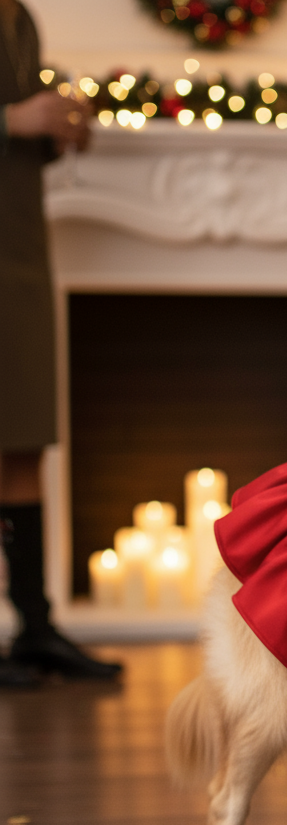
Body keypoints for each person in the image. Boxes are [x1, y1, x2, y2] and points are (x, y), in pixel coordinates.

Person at [1, 0, 120, 685]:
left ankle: (35, 627)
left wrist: (58, 128)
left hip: (19, 248)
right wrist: (13, 121)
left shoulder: (20, 17)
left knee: (24, 438)